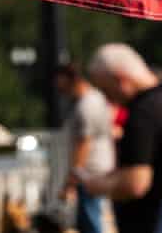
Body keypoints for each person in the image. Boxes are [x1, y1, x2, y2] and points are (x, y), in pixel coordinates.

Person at [81, 43, 162, 233]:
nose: (106, 98)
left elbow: (135, 183)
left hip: (154, 221)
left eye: (105, 89)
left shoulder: (142, 112)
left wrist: (97, 185)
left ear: (121, 79)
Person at [53, 63, 114, 233]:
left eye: (59, 81)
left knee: (91, 222)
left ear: (69, 79)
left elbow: (84, 144)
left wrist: (71, 181)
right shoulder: (94, 99)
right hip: (96, 170)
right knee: (89, 221)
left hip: (91, 172)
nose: (57, 86)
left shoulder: (86, 105)